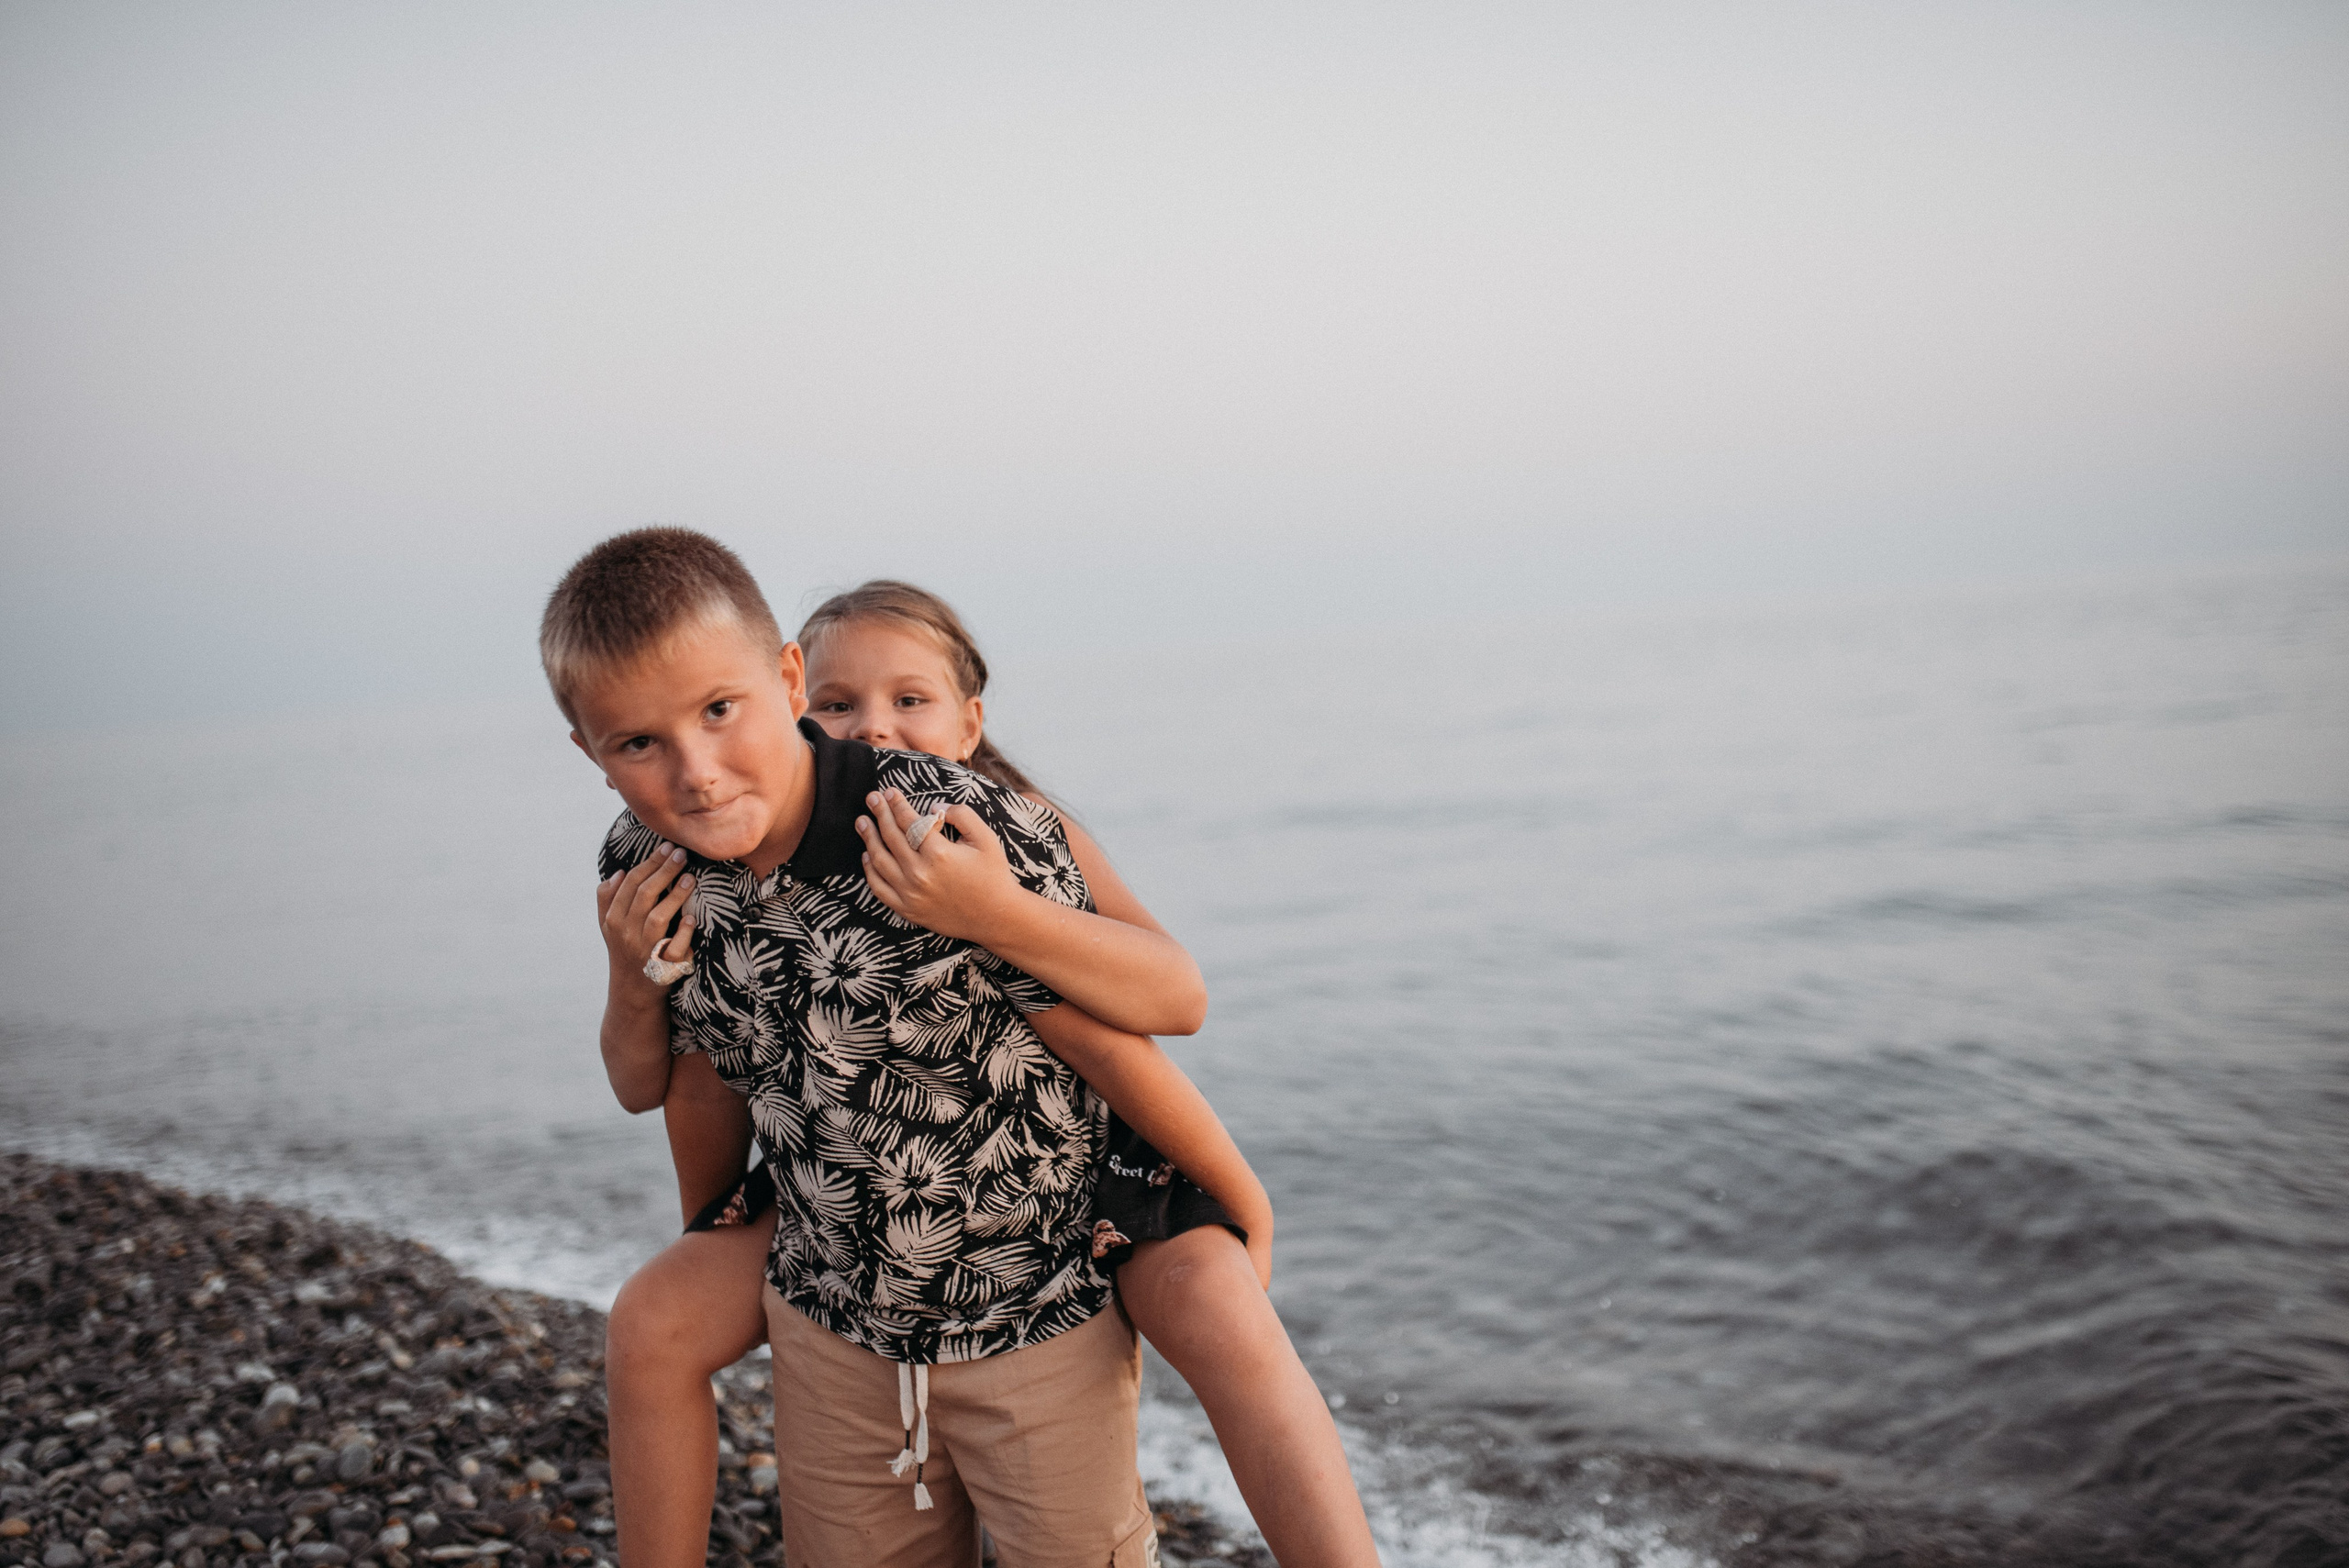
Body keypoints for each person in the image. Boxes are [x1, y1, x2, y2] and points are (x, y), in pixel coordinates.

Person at [580, 557, 1380, 1564]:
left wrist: (1236, 1191)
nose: (694, 769)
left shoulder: (960, 829)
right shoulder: (667, 864)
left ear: (967, 720)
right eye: (844, 701)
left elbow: (1140, 1017)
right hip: (851, 1221)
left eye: (908, 698)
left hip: (1071, 1185)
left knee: (1222, 1311)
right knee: (657, 1318)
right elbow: (694, 1074)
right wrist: (715, 1209)